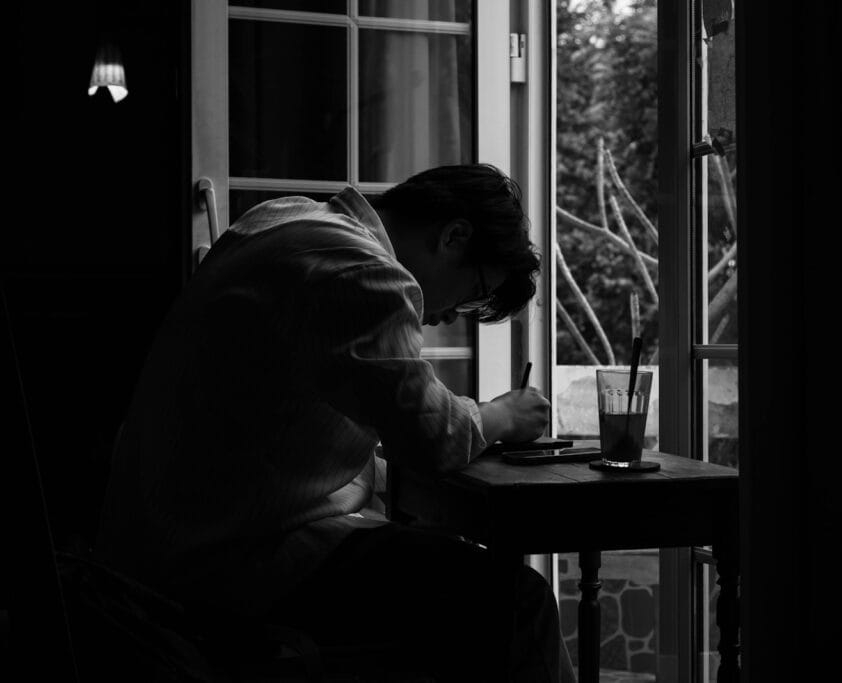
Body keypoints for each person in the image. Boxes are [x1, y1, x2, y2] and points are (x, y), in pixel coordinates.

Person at [95, 164, 576, 682]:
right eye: (472, 292)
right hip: (228, 561)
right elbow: (435, 437)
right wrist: (506, 412)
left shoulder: (281, 219)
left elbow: (294, 426)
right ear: (454, 236)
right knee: (517, 602)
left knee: (450, 576)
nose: (450, 314)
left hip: (153, 542)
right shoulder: (365, 273)